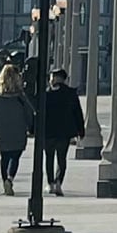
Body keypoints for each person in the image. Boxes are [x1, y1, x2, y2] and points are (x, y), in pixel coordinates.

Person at [0, 64, 34, 196]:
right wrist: (29, 126)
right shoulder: (20, 96)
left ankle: (5, 183)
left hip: (3, 130)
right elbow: (29, 113)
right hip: (18, 129)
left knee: (4, 157)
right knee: (15, 156)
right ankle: (10, 178)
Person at [45, 68, 84, 196]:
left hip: (48, 132)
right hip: (64, 132)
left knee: (49, 158)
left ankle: (50, 183)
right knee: (62, 159)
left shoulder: (46, 94)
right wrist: (80, 130)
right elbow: (77, 113)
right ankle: (58, 182)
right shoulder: (71, 94)